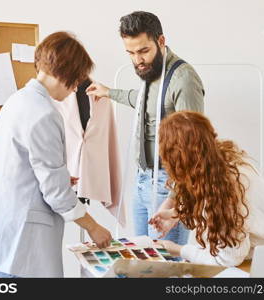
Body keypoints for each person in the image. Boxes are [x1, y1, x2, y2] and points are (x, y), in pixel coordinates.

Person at [0, 32, 112, 278]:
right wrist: (94, 227)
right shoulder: (44, 114)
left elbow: (17, 164)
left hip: (4, 226)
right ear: (65, 73)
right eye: (76, 80)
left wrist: (55, 179)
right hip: (22, 237)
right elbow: (56, 193)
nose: (76, 88)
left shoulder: (16, 101)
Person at [86, 11, 204, 245]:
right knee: (142, 262)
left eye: (143, 51)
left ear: (161, 41)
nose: (137, 60)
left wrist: (174, 201)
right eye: (130, 53)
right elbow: (144, 101)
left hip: (168, 185)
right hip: (142, 181)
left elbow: (194, 150)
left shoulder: (183, 80)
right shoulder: (151, 72)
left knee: (166, 268)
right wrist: (110, 92)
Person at [150, 111, 264, 267]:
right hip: (261, 243)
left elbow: (228, 259)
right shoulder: (212, 163)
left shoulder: (228, 188)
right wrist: (177, 213)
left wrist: (179, 250)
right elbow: (208, 204)